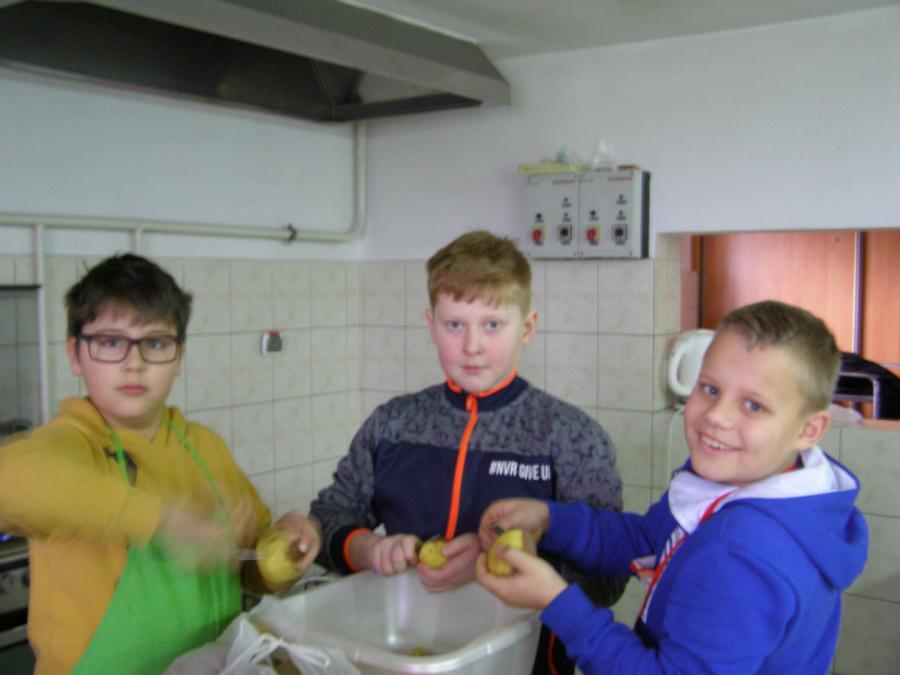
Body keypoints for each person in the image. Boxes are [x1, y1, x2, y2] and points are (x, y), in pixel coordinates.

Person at [475, 300, 869, 674]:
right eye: (710, 389)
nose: (716, 417)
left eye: (754, 406)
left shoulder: (742, 554)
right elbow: (649, 538)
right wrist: (550, 519)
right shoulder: (748, 479)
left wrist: (555, 601)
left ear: (808, 430)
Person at [309, 229, 625, 674]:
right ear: (430, 324)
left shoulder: (571, 436)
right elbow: (328, 518)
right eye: (454, 324)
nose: (472, 345)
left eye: (492, 325)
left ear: (527, 327)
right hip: (409, 658)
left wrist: (494, 561)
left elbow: (609, 578)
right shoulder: (392, 425)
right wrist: (368, 550)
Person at [0, 254, 321, 675]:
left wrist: (287, 552)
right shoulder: (73, 444)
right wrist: (166, 522)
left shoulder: (204, 447)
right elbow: (9, 481)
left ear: (179, 355)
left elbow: (248, 568)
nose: (134, 363)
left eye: (155, 343)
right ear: (75, 354)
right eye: (110, 342)